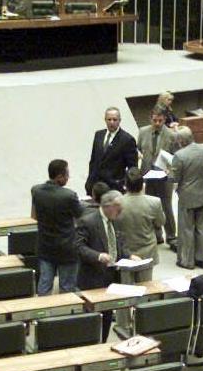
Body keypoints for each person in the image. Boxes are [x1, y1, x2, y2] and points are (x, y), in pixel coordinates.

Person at [76, 190, 136, 337]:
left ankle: (103, 341)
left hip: (111, 277)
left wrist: (130, 255)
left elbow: (119, 243)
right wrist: (98, 256)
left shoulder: (115, 220)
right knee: (92, 322)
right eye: (118, 207)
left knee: (107, 317)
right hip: (93, 280)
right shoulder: (88, 222)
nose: (121, 211)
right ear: (108, 206)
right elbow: (78, 247)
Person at [31, 158, 86, 295]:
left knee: (44, 287)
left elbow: (34, 216)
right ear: (60, 176)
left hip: (45, 247)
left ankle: (42, 315)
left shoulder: (36, 191)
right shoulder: (69, 195)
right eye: (67, 174)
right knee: (67, 289)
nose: (68, 177)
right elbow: (80, 216)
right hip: (66, 248)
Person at [169, 125, 203, 269]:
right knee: (202, 228)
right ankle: (201, 259)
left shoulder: (179, 156)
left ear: (180, 141)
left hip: (187, 196)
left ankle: (187, 261)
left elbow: (174, 178)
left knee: (187, 229)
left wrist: (168, 171)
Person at [137, 105, 177, 246]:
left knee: (166, 205)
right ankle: (157, 234)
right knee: (151, 205)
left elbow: (176, 157)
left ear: (165, 119)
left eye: (160, 120)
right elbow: (138, 148)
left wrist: (170, 169)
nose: (157, 124)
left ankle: (171, 236)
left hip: (165, 175)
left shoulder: (171, 135)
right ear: (150, 118)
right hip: (148, 174)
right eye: (155, 120)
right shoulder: (143, 132)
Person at [115, 170, 164, 281]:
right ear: (143, 185)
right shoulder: (154, 202)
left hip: (126, 251)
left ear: (125, 185)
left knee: (126, 288)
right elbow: (160, 222)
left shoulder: (117, 204)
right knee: (145, 288)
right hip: (147, 251)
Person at [86, 106, 139, 194]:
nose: (112, 122)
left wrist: (122, 184)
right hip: (95, 185)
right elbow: (93, 160)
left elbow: (132, 167)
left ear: (119, 120)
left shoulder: (127, 139)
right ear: (105, 120)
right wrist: (89, 181)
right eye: (109, 119)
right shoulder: (98, 135)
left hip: (114, 187)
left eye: (115, 120)